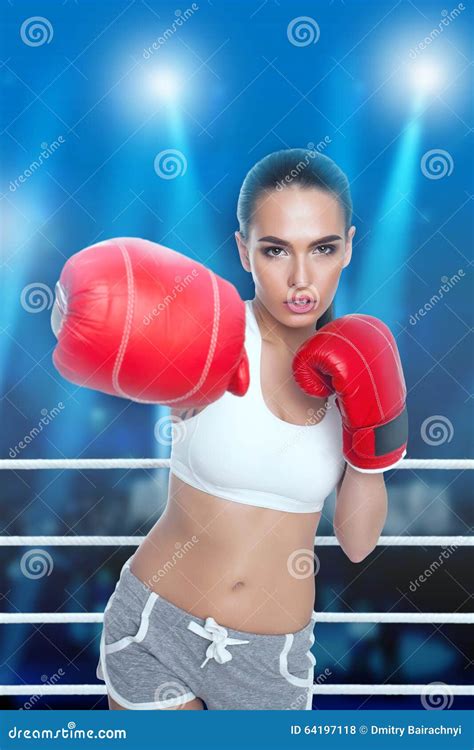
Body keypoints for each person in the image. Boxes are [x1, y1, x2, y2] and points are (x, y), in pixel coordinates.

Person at [51, 148, 407, 710]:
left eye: (322, 248)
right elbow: (101, 317)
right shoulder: (204, 332)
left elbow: (358, 546)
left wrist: (371, 449)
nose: (299, 277)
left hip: (270, 663)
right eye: (274, 250)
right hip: (156, 627)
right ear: (244, 250)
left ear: (349, 248)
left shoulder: (360, 368)